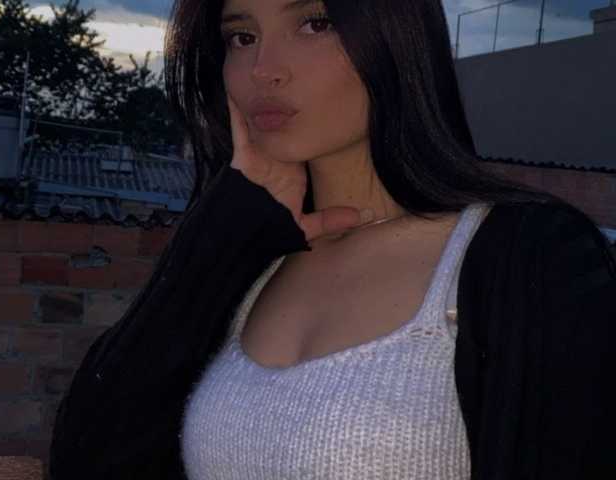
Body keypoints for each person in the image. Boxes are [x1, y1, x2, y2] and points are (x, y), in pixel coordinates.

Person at [49, 0, 616, 479]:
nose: (264, 70)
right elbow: (86, 458)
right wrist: (217, 237)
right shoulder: (248, 263)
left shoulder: (530, 256)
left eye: (314, 24)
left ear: (395, 37)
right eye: (242, 37)